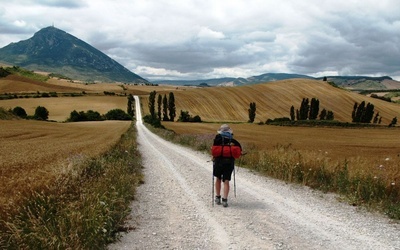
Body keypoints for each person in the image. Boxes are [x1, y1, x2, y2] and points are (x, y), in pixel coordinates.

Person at [211, 124, 242, 207]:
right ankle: (225, 200)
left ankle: (217, 197)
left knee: (218, 178)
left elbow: (213, 150)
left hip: (218, 162)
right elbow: (239, 151)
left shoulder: (217, 139)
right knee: (226, 181)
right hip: (229, 162)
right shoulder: (233, 140)